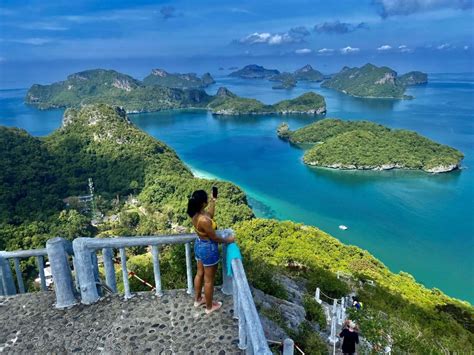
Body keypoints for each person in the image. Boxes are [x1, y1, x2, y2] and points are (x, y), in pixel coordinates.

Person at [187, 189, 235, 314]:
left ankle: (198, 299)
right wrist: (228, 240)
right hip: (208, 248)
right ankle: (209, 307)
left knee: (199, 274)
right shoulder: (204, 220)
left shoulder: (196, 214)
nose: (208, 200)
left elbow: (210, 215)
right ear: (202, 203)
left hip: (199, 245)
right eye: (207, 199)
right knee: (209, 280)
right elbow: (214, 237)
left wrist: (214, 201)